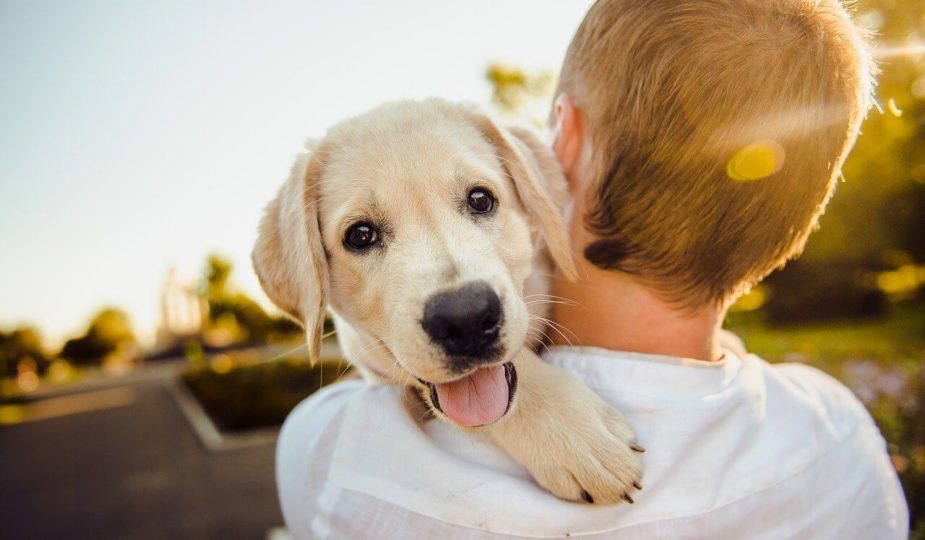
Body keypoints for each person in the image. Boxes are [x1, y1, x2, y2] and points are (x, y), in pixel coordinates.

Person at [276, 0, 909, 537]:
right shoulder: (842, 436)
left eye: (478, 201)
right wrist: (527, 400)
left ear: (560, 149)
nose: (457, 293)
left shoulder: (333, 456)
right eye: (363, 235)